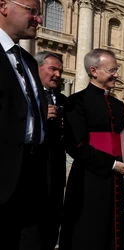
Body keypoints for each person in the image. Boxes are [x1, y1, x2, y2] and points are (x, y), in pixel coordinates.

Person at [59, 49, 124, 250]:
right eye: (112, 70)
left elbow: (122, 137)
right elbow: (76, 145)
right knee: (88, 227)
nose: (117, 74)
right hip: (88, 175)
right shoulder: (76, 101)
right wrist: (111, 164)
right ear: (94, 71)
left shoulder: (118, 105)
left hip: (115, 175)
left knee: (113, 225)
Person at [0, 0, 48, 249]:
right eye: (33, 11)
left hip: (30, 177)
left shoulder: (28, 61)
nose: (39, 19)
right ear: (3, 6)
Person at [35, 51, 67, 250]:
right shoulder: (27, 95)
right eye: (52, 69)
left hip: (56, 168)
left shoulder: (63, 98)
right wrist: (38, 115)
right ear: (38, 68)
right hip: (32, 169)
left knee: (54, 217)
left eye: (60, 71)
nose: (57, 74)